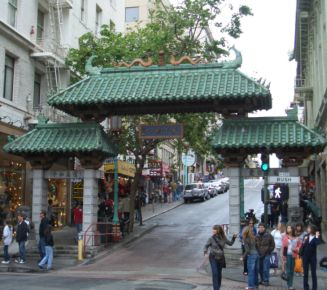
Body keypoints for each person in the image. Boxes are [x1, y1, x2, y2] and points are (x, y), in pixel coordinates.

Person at [204, 225, 237, 290]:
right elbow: (206, 246)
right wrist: (205, 252)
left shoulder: (223, 238)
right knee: (215, 273)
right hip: (213, 257)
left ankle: (218, 287)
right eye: (213, 229)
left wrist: (234, 237)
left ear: (218, 230)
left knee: (219, 274)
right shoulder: (211, 238)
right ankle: (216, 288)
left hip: (221, 258)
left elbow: (230, 244)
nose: (213, 230)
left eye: (214, 229)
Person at [282, 224, 302, 290]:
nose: (288, 229)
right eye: (287, 228)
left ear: (292, 229)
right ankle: (289, 285)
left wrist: (297, 249)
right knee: (288, 270)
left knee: (292, 270)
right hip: (287, 255)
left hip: (293, 255)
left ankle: (290, 285)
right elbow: (284, 247)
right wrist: (283, 257)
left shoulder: (296, 237)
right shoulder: (285, 237)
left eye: (290, 228)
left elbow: (300, 245)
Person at [301, 224, 321, 290]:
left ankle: (314, 288)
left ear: (312, 229)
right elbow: (303, 245)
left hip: (312, 257)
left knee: (313, 273)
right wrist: (304, 240)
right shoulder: (306, 236)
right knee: (305, 273)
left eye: (309, 228)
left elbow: (317, 243)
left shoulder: (316, 237)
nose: (307, 229)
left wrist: (317, 236)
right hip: (305, 257)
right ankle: (306, 287)